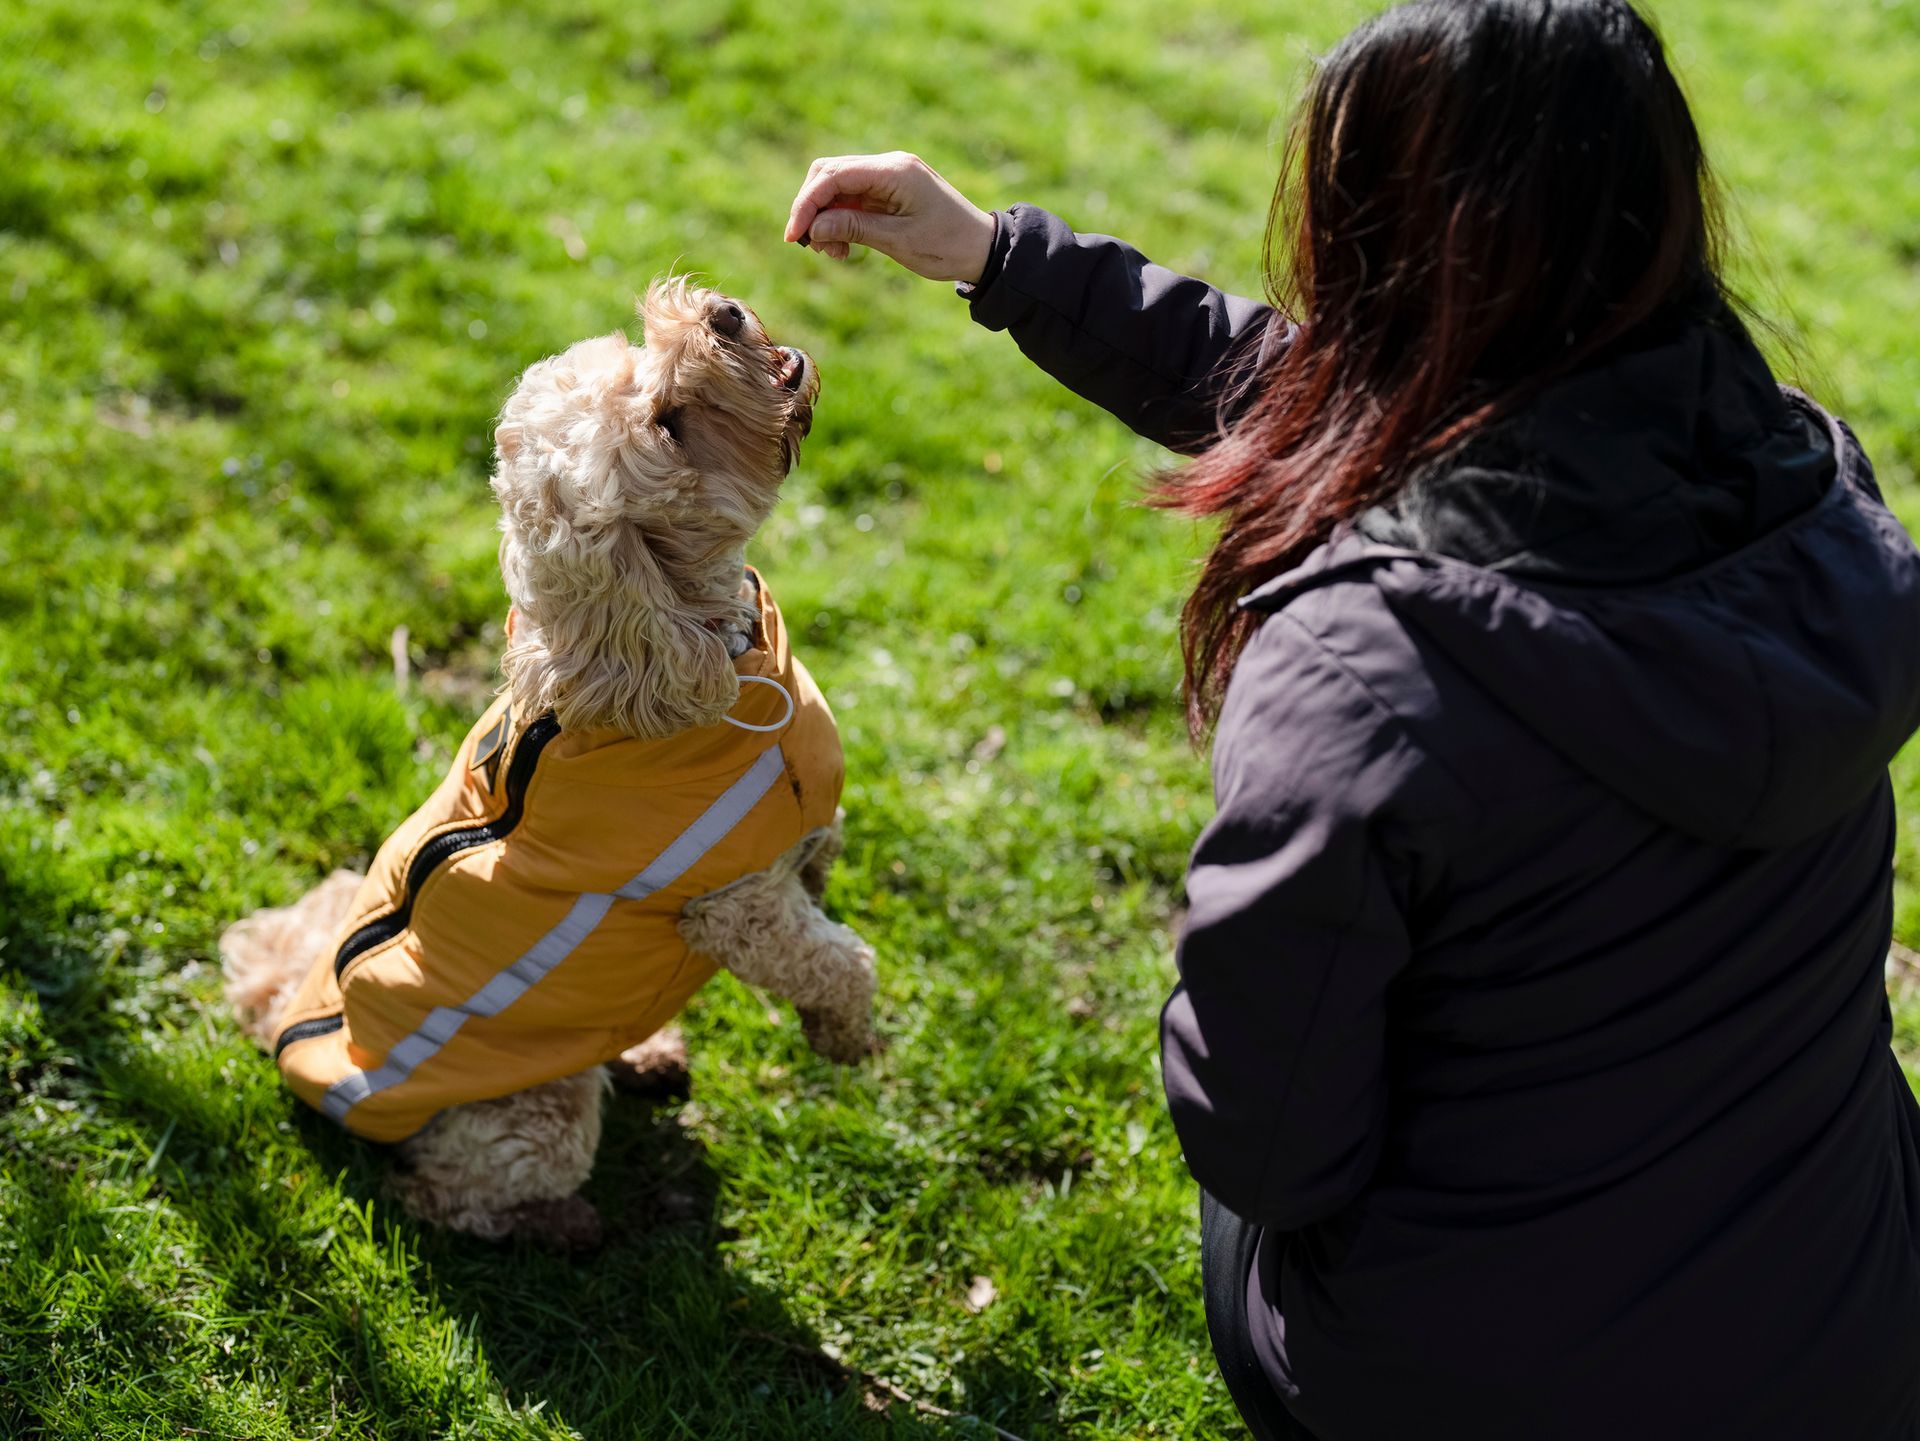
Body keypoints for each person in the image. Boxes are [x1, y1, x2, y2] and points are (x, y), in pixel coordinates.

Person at [784, 1, 1920, 1438]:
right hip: (1849, 1335)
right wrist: (1006, 260)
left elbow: (1266, 1148)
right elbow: (1353, 411)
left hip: (1485, 1389)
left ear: (1383, 239)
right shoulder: (1805, 497)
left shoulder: (1365, 668)